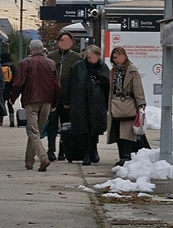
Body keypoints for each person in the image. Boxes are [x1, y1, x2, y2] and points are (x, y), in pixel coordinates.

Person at [9, 38, 61, 171]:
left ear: (30, 49)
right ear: (43, 49)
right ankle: (29, 161)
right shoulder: (51, 63)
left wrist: (13, 98)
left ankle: (43, 158)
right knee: (36, 132)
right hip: (47, 101)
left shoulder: (25, 63)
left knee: (33, 132)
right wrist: (54, 102)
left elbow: (19, 83)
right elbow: (57, 85)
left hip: (31, 100)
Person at [64, 45, 111, 164]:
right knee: (81, 128)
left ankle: (93, 150)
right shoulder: (78, 66)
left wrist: (107, 104)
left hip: (97, 102)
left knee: (94, 128)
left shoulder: (103, 68)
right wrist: (67, 101)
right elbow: (69, 83)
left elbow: (107, 87)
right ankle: (85, 153)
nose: (91, 59)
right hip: (80, 102)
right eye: (89, 56)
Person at [105, 46, 145, 165]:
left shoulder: (132, 70)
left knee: (127, 132)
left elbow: (138, 88)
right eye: (114, 58)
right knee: (117, 132)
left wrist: (141, 103)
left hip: (128, 104)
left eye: (117, 57)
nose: (115, 60)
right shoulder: (113, 71)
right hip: (115, 104)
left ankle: (126, 156)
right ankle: (122, 155)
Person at [46, 31, 82, 161]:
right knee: (52, 125)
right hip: (53, 98)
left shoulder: (77, 58)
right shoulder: (50, 57)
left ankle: (64, 150)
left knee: (66, 125)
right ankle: (51, 150)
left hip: (69, 98)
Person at [0, 52, 16, 125]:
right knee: (10, 105)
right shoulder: (12, 65)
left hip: (1, 88)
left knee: (1, 105)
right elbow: (16, 76)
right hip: (10, 88)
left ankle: (0, 121)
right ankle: (11, 121)